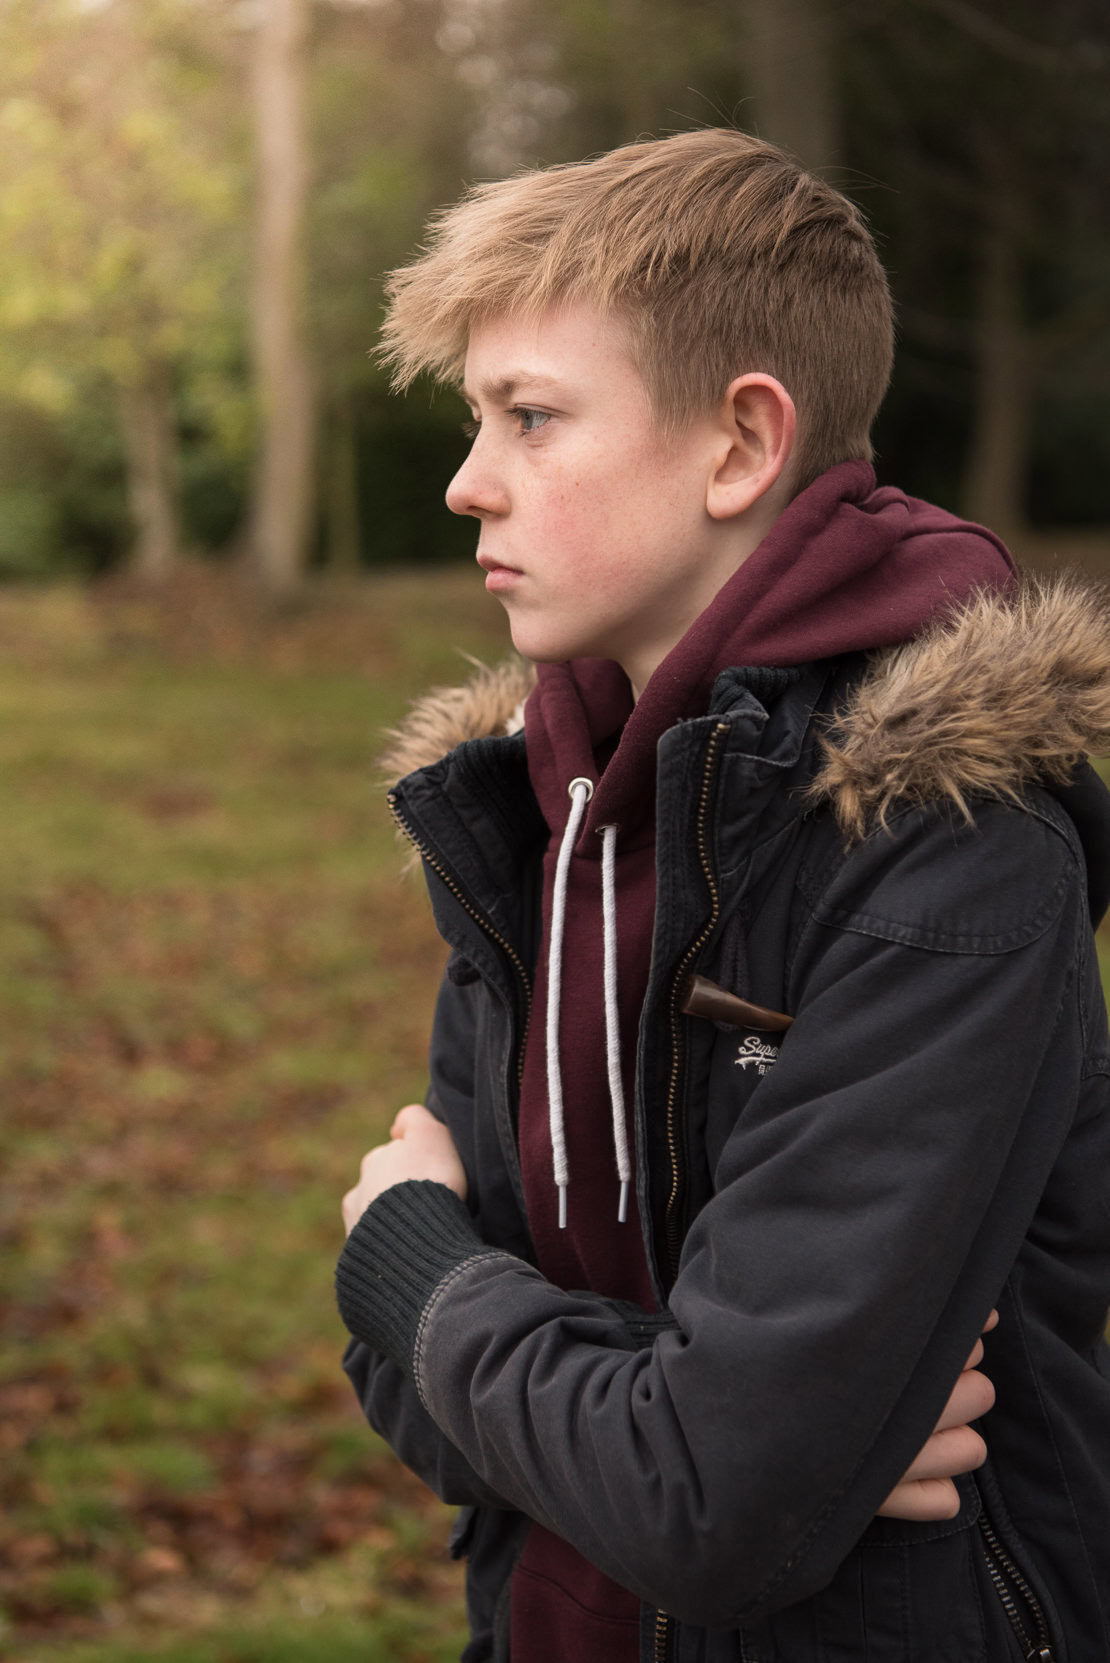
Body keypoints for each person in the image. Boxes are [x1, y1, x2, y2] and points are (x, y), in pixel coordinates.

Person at [334, 130, 1110, 1662]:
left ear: (740, 444)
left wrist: (407, 1255)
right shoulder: (532, 812)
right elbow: (425, 1418)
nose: (464, 481)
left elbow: (717, 1504)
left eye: (530, 417)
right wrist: (687, 1420)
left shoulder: (942, 844)